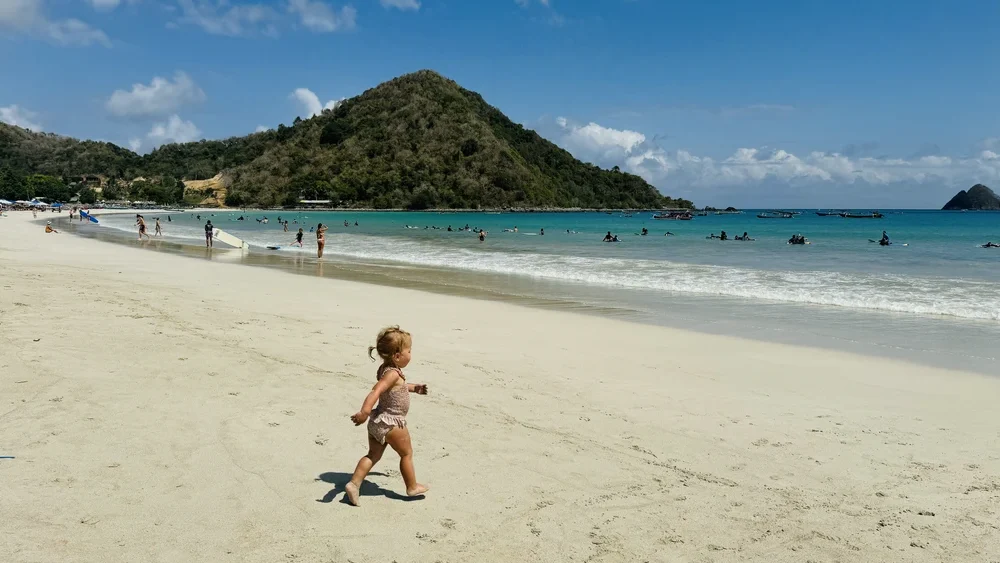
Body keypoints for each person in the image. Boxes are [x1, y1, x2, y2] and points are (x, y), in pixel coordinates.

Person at [345, 326, 429, 506]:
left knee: (373, 455)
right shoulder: (392, 373)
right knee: (406, 454)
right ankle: (412, 486)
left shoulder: (385, 369)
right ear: (397, 356)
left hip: (377, 422)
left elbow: (396, 388)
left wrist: (414, 388)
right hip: (392, 423)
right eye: (409, 350)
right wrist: (364, 411)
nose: (410, 354)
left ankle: (354, 484)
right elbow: (377, 391)